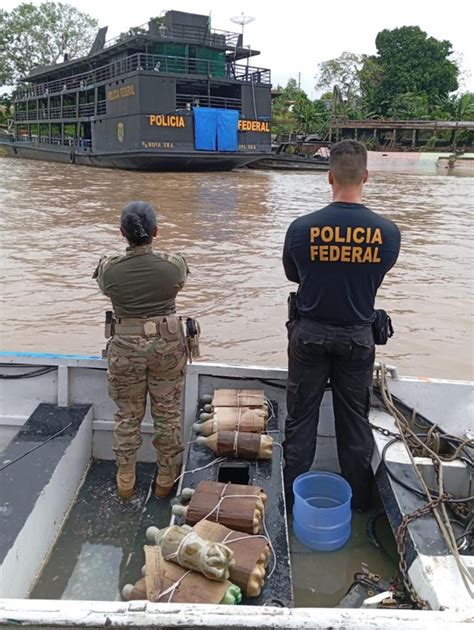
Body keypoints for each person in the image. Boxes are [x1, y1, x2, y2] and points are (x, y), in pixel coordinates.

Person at [282, 140, 401, 511]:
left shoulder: (302, 229)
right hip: (357, 339)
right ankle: (361, 503)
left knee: (301, 420)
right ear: (366, 176)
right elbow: (377, 275)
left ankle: (288, 503)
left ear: (329, 176)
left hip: (309, 336)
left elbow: (292, 274)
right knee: (355, 423)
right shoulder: (388, 233)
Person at [93, 201, 189, 500]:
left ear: (122, 232)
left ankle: (125, 480)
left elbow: (104, 286)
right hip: (167, 349)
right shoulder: (173, 266)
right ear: (155, 231)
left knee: (127, 416)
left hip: (124, 351)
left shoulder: (110, 270)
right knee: (167, 415)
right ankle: (164, 480)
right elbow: (181, 280)